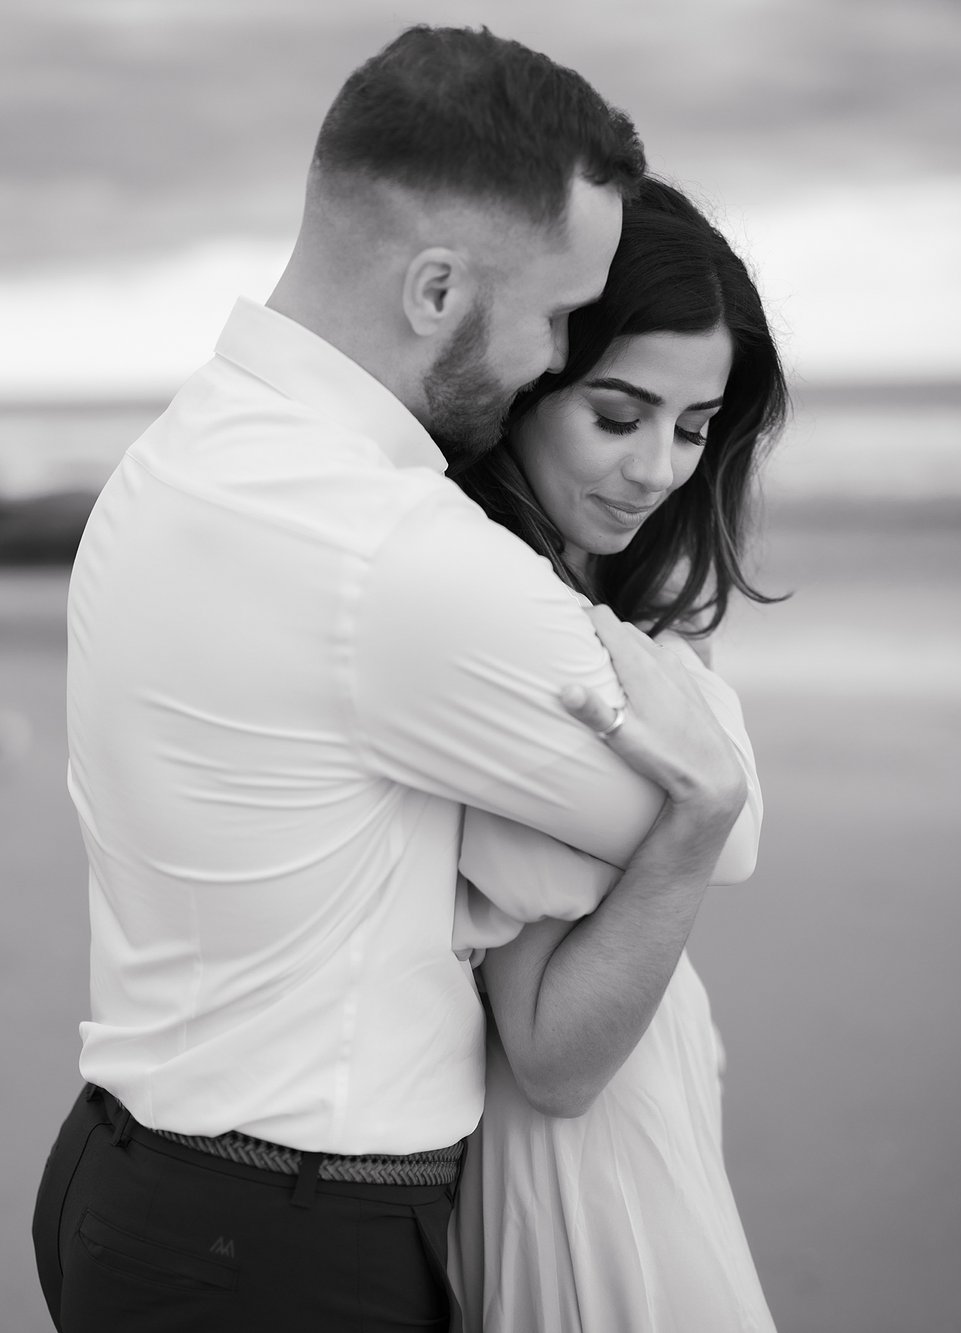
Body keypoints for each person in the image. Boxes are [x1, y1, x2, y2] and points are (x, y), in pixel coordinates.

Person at [30, 27, 748, 1333]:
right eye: (552, 316)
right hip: (278, 1243)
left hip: (133, 1178)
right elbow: (721, 813)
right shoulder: (392, 550)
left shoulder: (193, 447)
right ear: (434, 291)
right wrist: (698, 750)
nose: (550, 353)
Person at [448, 177, 788, 1331]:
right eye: (617, 413)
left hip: (656, 1112)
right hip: (574, 1173)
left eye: (693, 428)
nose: (658, 470)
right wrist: (698, 815)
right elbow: (551, 1058)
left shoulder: (607, 609)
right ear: (524, 383)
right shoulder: (508, 628)